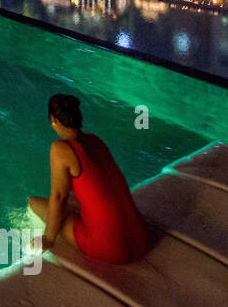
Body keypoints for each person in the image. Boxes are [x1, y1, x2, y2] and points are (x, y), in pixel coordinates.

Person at [28, 95, 150, 264]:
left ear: (53, 120)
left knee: (35, 203)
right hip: (140, 238)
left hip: (111, 249)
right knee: (74, 202)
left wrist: (48, 239)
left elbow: (58, 197)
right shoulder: (95, 140)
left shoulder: (60, 149)